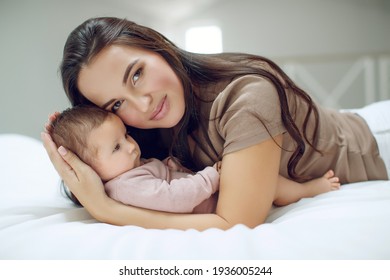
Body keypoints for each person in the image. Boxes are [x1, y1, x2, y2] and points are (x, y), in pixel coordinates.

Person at [42, 17, 389, 231]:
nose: (143, 104)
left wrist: (105, 209)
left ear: (159, 46)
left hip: (373, 143)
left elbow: (233, 223)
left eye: (136, 75)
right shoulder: (147, 134)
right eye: (116, 104)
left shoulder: (247, 97)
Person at [50, 105, 340, 214]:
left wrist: (171, 165)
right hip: (207, 205)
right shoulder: (125, 187)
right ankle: (305, 190)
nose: (130, 147)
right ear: (87, 168)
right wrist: (212, 175)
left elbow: (163, 176)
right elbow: (175, 198)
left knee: (262, 180)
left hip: (208, 197)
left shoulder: (130, 171)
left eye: (125, 136)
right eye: (116, 148)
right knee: (264, 181)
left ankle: (288, 193)